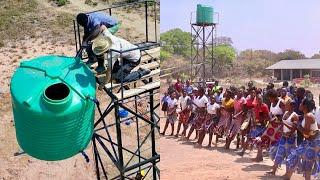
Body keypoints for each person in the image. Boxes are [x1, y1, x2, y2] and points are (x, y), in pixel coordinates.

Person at [284, 97, 320, 180]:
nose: (299, 105)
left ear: (305, 106)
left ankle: (287, 177)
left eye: (301, 103)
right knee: (296, 158)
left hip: (313, 143)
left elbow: (306, 133)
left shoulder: (308, 115)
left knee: (306, 163)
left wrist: (297, 125)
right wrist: (298, 119)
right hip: (309, 142)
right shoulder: (306, 115)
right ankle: (287, 177)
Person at [268, 100, 298, 176]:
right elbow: (282, 124)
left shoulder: (295, 116)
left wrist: (284, 124)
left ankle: (287, 174)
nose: (286, 106)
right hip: (284, 137)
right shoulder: (285, 113)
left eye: (287, 105)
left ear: (292, 106)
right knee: (279, 153)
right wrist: (280, 130)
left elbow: (294, 128)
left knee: (289, 155)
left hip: (291, 138)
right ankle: (274, 170)